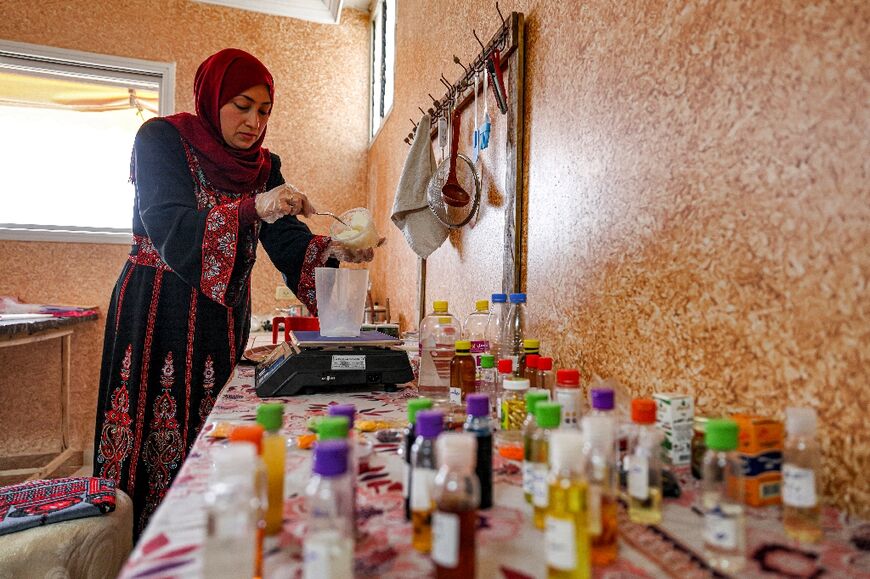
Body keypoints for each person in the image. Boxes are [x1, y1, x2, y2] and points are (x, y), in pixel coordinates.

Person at [92, 48, 377, 535]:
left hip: (219, 319)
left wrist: (336, 253)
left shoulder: (265, 166)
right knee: (150, 431)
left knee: (215, 425)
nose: (253, 121)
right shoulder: (160, 140)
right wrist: (252, 209)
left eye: (264, 111)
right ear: (213, 97)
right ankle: (148, 540)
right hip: (155, 309)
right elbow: (169, 224)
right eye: (241, 105)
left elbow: (288, 242)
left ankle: (215, 528)